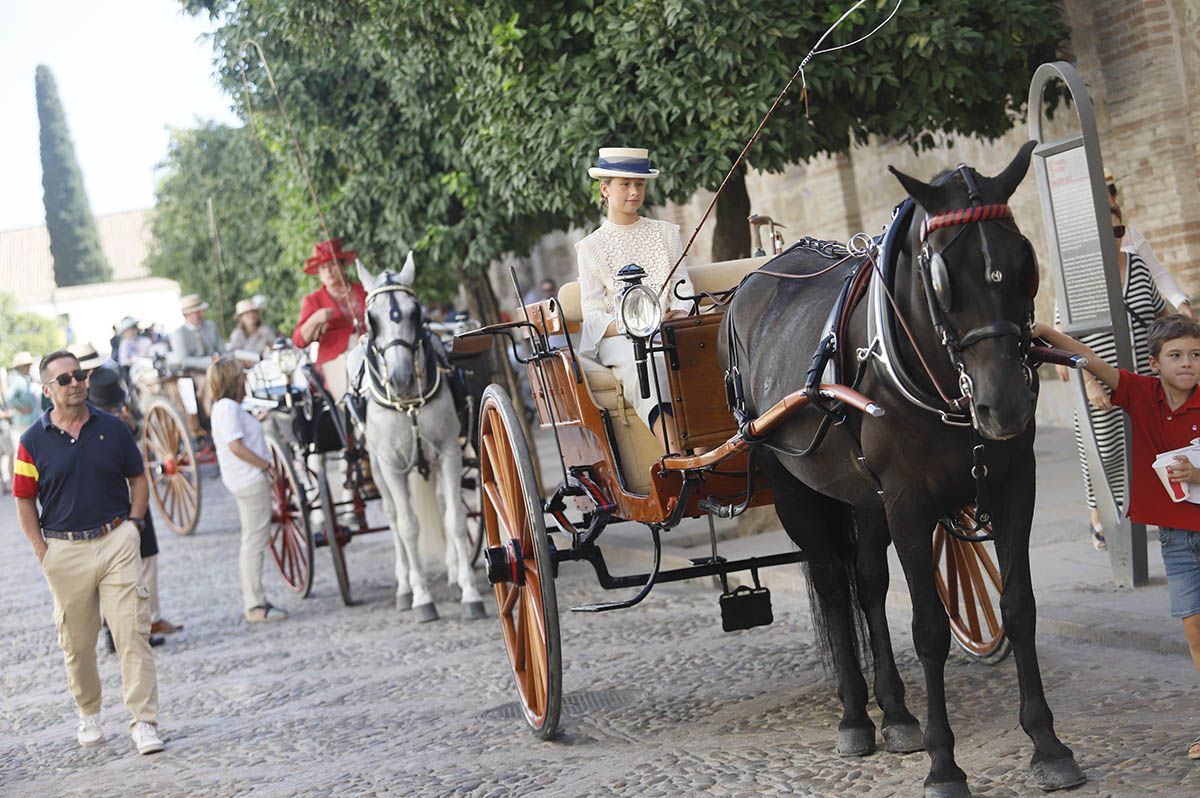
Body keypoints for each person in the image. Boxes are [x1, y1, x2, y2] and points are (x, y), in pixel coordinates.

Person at [1035, 314, 1200, 759]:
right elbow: (1090, 361)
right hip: (1178, 539)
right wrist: (1047, 333)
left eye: (1196, 354)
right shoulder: (1142, 394)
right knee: (1194, 630)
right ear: (1155, 363)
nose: (1188, 364)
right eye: (1176, 356)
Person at [12, 351, 164, 755]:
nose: (76, 382)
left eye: (79, 375)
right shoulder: (31, 442)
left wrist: (134, 526)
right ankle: (89, 712)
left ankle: (144, 721)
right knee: (77, 645)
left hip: (116, 540)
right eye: (64, 379)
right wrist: (43, 553)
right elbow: (24, 501)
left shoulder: (112, 429)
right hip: (64, 550)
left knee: (132, 632)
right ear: (47, 390)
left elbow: (139, 479)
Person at [1065, 205, 1168, 550]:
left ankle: (1148, 511)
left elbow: (1160, 313)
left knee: (1150, 447)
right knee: (1103, 451)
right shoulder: (1076, 278)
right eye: (1106, 232)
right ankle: (1099, 517)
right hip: (1101, 385)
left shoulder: (1136, 267)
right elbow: (1060, 338)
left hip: (1143, 381)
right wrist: (1090, 382)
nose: (1115, 239)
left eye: (1119, 230)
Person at [576, 146, 695, 443]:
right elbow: (592, 315)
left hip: (670, 331)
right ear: (605, 189)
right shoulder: (590, 247)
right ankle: (677, 451)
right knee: (646, 362)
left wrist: (676, 315)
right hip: (620, 340)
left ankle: (713, 443)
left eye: (639, 184)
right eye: (625, 184)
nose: (634, 191)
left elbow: (683, 289)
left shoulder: (666, 233)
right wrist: (635, 325)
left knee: (697, 354)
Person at [86, 368, 182, 641]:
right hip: (123, 499)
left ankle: (134, 620)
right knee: (132, 562)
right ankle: (137, 623)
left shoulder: (106, 421)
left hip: (121, 499)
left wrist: (130, 425)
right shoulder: (105, 425)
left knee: (138, 559)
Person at [206, 357, 288, 623]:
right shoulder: (228, 407)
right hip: (249, 480)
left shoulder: (226, 407)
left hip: (242, 479)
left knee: (252, 538)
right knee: (254, 540)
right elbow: (235, 446)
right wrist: (266, 466)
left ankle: (255, 601)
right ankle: (255, 604)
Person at [1106, 169, 1192, 318]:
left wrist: (1181, 303)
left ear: (1113, 197)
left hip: (1140, 309)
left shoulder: (1131, 235)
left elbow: (1157, 273)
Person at [292, 238, 366, 401]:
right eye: (323, 268)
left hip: (369, 349)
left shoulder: (363, 290)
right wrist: (316, 319)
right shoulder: (314, 300)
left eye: (332, 264)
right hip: (335, 360)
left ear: (342, 265)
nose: (328, 271)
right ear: (319, 273)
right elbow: (298, 340)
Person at [170, 294, 224, 428]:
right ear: (186, 315)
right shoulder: (179, 334)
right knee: (209, 381)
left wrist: (220, 358)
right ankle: (210, 418)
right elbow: (184, 360)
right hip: (195, 373)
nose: (200, 314)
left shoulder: (211, 326)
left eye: (200, 311)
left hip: (219, 365)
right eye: (196, 312)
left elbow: (221, 348)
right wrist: (208, 361)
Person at [5, 352, 40, 491]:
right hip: (23, 422)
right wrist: (21, 408)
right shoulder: (18, 380)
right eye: (26, 365)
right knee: (23, 453)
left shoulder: (23, 379)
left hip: (27, 421)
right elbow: (9, 398)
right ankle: (21, 485)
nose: (28, 367)